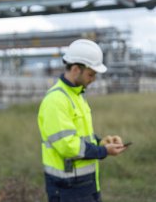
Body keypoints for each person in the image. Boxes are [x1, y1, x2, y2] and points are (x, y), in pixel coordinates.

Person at [37, 39, 127, 202]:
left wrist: (101, 142)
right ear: (76, 69)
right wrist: (104, 151)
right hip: (67, 188)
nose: (93, 79)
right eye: (91, 74)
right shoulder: (56, 100)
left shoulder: (77, 95)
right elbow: (68, 146)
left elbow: (80, 136)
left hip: (85, 184)